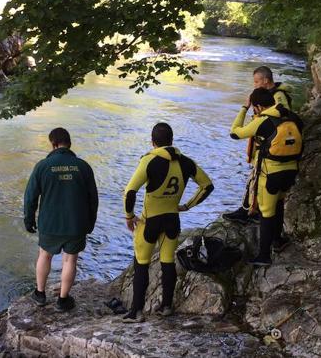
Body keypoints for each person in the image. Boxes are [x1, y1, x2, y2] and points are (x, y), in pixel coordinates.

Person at [122, 122, 214, 323]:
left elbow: (130, 192)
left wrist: (129, 216)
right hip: (172, 219)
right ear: (172, 140)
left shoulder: (149, 161)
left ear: (152, 141)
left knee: (141, 264)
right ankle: (166, 306)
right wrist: (187, 206)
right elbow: (207, 186)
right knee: (167, 262)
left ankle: (136, 311)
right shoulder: (186, 162)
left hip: (150, 222)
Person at [24, 127, 98, 312]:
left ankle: (40, 294)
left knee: (44, 255)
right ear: (69, 143)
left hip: (49, 223)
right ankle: (63, 300)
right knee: (70, 260)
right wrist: (90, 223)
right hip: (76, 224)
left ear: (53, 144)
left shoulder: (42, 166)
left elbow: (30, 197)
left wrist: (29, 219)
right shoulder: (83, 166)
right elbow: (93, 199)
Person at [230, 88, 303, 266]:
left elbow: (235, 132)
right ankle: (278, 241)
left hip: (270, 173)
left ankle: (264, 256)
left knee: (266, 212)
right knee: (279, 203)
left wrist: (243, 108)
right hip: (291, 171)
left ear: (258, 107)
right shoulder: (292, 117)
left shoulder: (263, 121)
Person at [222, 66, 295, 226]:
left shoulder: (278, 96)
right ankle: (247, 209)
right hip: (264, 143)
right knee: (252, 179)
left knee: (257, 181)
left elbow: (284, 120)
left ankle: (250, 212)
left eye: (256, 81)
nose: (254, 85)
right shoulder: (266, 96)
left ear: (265, 80)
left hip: (272, 149)